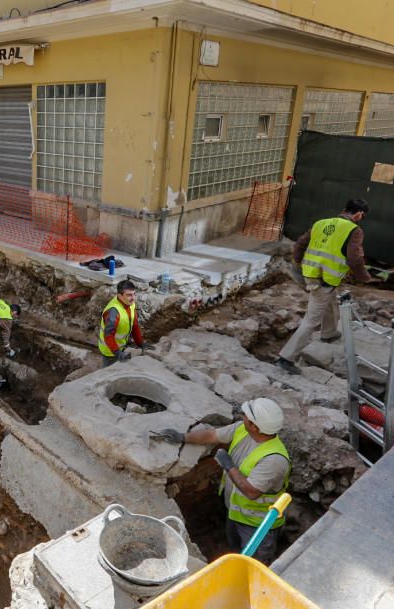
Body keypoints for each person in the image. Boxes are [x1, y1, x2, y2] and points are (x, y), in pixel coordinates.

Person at [150, 398, 290, 563]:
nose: (242, 415)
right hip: (234, 511)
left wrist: (228, 465)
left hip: (258, 525)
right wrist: (182, 437)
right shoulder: (242, 429)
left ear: (254, 426)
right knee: (236, 547)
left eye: (246, 415)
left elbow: (251, 491)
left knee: (254, 562)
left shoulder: (274, 460)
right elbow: (212, 435)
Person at [276, 198, 374, 375]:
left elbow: (300, 244)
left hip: (312, 274)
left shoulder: (321, 223)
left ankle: (329, 333)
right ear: (359, 214)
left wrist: (297, 263)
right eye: (363, 216)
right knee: (311, 320)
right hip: (325, 279)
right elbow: (354, 258)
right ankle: (286, 358)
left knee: (330, 300)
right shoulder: (355, 230)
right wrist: (364, 277)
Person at [98, 279, 150, 366]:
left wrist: (140, 343)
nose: (133, 298)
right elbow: (108, 336)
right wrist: (117, 353)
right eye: (129, 295)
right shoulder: (113, 312)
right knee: (109, 374)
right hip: (110, 351)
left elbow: (135, 324)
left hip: (121, 346)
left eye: (134, 294)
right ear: (120, 295)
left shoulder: (130, 303)